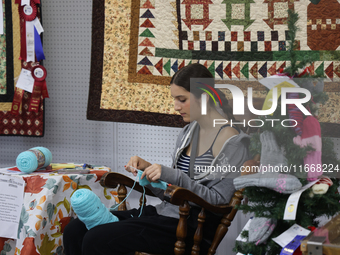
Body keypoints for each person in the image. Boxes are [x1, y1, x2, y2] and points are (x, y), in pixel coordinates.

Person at [63, 63, 251, 255]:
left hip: (190, 229)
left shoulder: (232, 141)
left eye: (182, 99)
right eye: (175, 99)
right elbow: (172, 194)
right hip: (165, 216)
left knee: (97, 238)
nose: (176, 107)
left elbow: (218, 201)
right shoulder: (188, 132)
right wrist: (148, 172)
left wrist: (172, 174)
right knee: (76, 229)